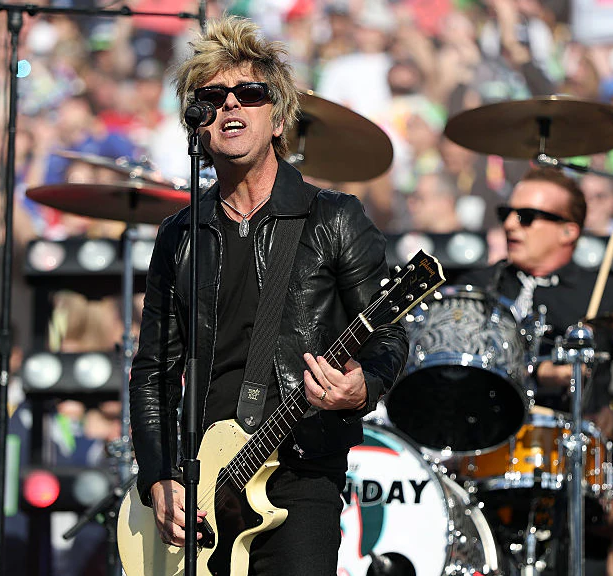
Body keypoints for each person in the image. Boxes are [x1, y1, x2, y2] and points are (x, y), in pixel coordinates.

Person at [128, 17, 409, 575]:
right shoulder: (180, 235)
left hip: (300, 470)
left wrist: (358, 389)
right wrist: (158, 475)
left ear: (278, 118)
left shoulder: (334, 218)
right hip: (198, 480)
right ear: (198, 124)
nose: (231, 104)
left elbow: (391, 337)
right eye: (212, 97)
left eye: (250, 93)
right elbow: (153, 371)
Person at [458, 167, 613, 576]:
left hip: (579, 451)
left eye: (527, 215)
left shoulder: (608, 294)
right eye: (507, 211)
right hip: (484, 448)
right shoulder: (480, 288)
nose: (509, 223)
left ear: (568, 231)